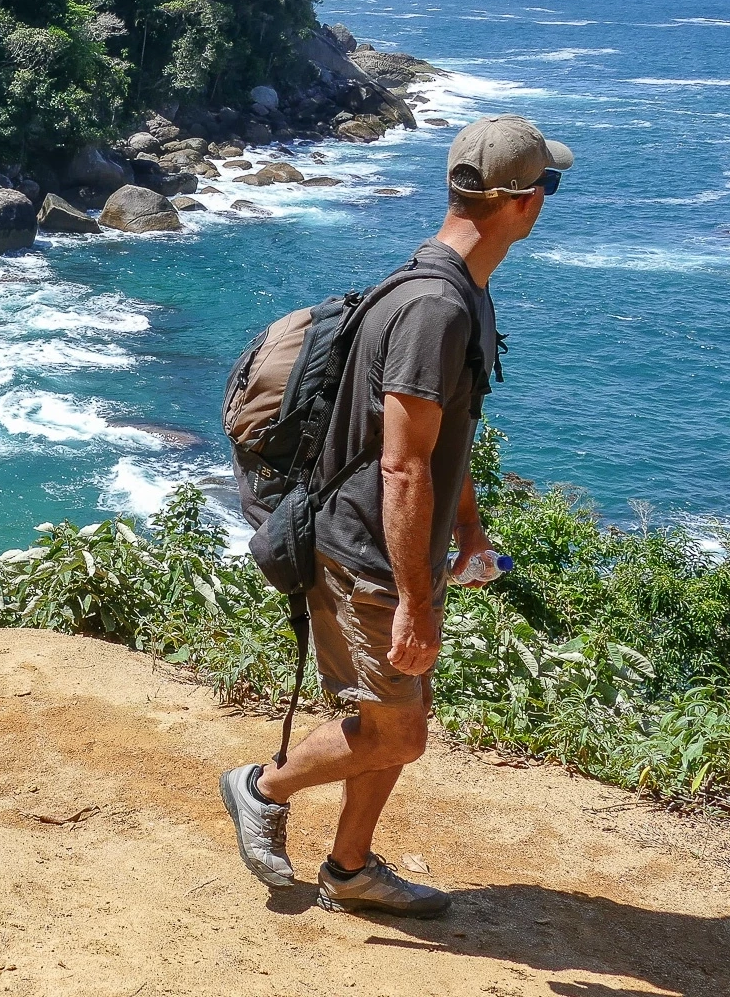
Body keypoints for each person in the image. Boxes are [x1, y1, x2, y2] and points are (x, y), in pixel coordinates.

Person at [218, 115, 573, 916]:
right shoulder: (433, 309)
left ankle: (348, 870)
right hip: (369, 549)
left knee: (396, 714)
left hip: (400, 542)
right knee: (398, 731)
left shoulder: (462, 291)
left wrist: (470, 530)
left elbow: (444, 441)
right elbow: (403, 464)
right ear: (521, 202)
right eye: (548, 185)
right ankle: (259, 787)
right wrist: (413, 598)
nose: (549, 200)